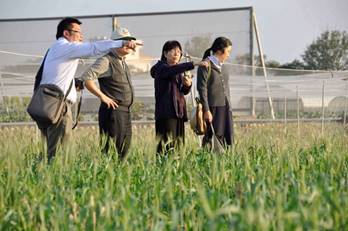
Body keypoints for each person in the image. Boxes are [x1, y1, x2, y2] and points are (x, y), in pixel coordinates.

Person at [34, 17, 140, 163]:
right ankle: (54, 180)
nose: (81, 36)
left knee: (52, 149)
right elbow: (93, 49)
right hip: (58, 106)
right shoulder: (65, 47)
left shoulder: (55, 50)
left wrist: (75, 84)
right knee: (60, 152)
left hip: (47, 104)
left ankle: (44, 175)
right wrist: (121, 42)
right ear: (66, 33)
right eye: (77, 32)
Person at [80, 27, 139, 160]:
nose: (128, 44)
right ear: (114, 43)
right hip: (113, 112)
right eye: (124, 41)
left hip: (125, 111)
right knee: (112, 151)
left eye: (129, 40)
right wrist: (103, 97)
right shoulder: (106, 60)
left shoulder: (122, 62)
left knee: (124, 150)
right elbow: (87, 78)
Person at [150, 40, 208, 155]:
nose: (177, 54)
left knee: (178, 147)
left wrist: (187, 84)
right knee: (166, 147)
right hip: (166, 114)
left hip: (178, 114)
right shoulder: (161, 68)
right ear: (165, 54)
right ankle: (163, 169)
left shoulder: (178, 71)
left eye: (179, 52)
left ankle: (175, 170)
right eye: (173, 51)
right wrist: (194, 64)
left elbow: (183, 91)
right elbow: (170, 71)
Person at [196, 37, 233, 150]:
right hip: (213, 107)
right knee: (212, 137)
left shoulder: (223, 67)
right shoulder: (206, 65)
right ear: (219, 51)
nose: (228, 55)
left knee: (227, 137)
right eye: (228, 52)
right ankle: (207, 162)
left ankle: (225, 163)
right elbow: (201, 88)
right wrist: (206, 110)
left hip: (225, 106)